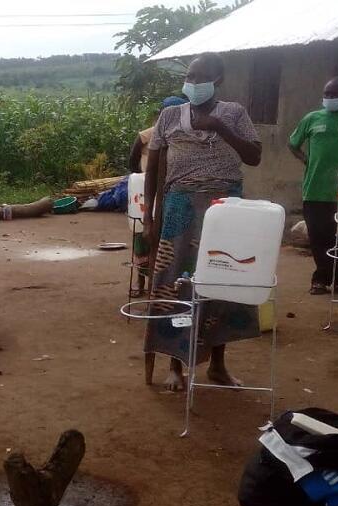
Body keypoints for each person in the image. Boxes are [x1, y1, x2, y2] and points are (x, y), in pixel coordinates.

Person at [142, 53, 263, 391]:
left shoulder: (234, 114)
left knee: (223, 280)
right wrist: (149, 215)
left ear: (218, 80)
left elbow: (254, 156)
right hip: (180, 208)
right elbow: (153, 169)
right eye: (189, 77)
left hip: (225, 208)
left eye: (200, 77)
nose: (193, 83)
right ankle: (175, 365)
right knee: (174, 283)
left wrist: (221, 128)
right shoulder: (170, 116)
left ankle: (218, 365)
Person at [289, 77, 338, 295]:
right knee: (317, 238)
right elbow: (293, 143)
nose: (329, 98)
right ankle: (337, 279)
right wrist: (307, 160)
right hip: (314, 188)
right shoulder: (312, 118)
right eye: (326, 94)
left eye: (334, 94)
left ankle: (322, 280)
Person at [127, 96, 186, 297]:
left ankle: (163, 285)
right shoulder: (150, 133)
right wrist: (139, 178)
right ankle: (140, 281)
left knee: (166, 242)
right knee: (142, 236)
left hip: (170, 193)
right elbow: (133, 157)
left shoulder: (184, 136)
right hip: (147, 192)